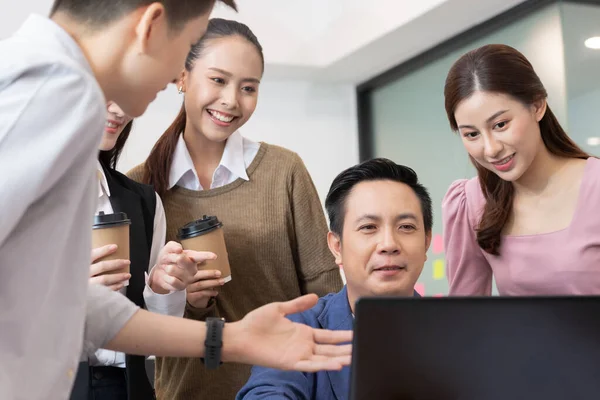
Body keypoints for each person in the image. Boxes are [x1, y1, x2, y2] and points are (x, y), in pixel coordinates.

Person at [0, 2, 351, 399]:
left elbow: (82, 307)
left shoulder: (48, 90)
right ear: (151, 25)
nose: (172, 78)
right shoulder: (45, 91)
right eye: (184, 45)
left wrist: (231, 338)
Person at [127, 18, 344, 399]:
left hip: (284, 392)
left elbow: (326, 298)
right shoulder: (142, 187)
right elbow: (133, 326)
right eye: (218, 80)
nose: (231, 100)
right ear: (181, 76)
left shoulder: (284, 171)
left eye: (248, 88)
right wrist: (188, 300)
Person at [237, 158, 432, 400]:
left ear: (426, 242)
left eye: (405, 227)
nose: (389, 244)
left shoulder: (457, 334)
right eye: (369, 227)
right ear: (337, 247)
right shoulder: (298, 328)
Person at [72, 101, 224, 400]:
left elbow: (158, 330)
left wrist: (162, 288)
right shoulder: (18, 194)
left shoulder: (142, 201)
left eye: (125, 95)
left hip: (127, 387)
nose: (120, 110)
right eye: (107, 92)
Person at [442, 44, 600, 296]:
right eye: (472, 134)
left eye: (501, 124)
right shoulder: (471, 202)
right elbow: (466, 320)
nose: (490, 149)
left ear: (537, 106)